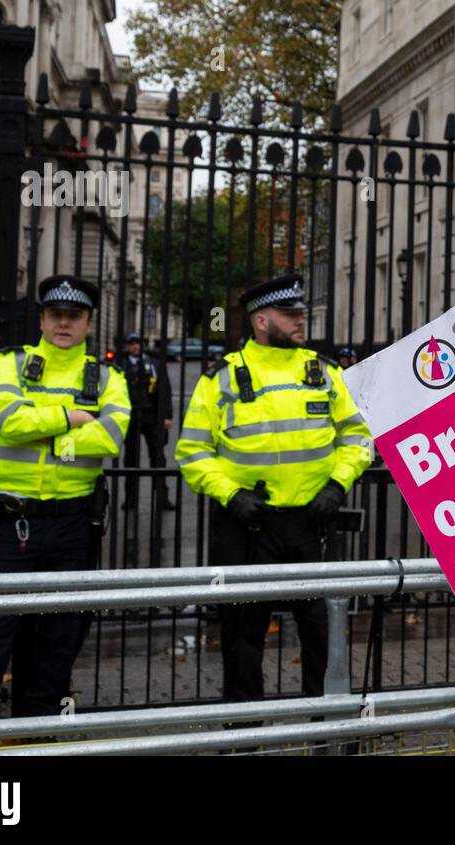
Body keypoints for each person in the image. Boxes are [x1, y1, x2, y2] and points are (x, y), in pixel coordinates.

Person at [175, 273, 373, 699]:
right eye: (289, 314)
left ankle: (324, 725)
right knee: (242, 636)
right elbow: (192, 451)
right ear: (261, 321)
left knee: (320, 631)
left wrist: (337, 486)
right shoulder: (221, 378)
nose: (300, 320)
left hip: (311, 522)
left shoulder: (324, 373)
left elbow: (358, 437)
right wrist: (230, 494)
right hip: (247, 525)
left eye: (301, 312)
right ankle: (246, 732)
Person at [0, 275, 129, 720]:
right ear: (43, 319)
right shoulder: (7, 364)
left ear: (89, 322)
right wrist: (70, 416)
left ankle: (37, 728)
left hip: (72, 525)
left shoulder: (109, 377)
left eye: (74, 316)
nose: (64, 323)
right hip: (7, 521)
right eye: (56, 315)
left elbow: (109, 439)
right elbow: (8, 422)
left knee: (58, 637)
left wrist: (47, 436)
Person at [120, 331, 175, 511]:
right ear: (128, 346)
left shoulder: (154, 364)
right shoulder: (121, 365)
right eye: (133, 343)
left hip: (152, 414)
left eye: (139, 343)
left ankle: (162, 499)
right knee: (131, 459)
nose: (136, 346)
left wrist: (167, 415)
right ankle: (130, 501)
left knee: (158, 458)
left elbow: (165, 389)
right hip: (132, 416)